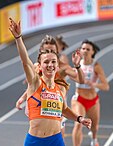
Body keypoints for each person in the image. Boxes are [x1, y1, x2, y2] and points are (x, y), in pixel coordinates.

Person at [9, 18, 91, 146]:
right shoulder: (35, 82)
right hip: (35, 141)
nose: (50, 65)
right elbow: (25, 61)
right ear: (40, 66)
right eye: (46, 62)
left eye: (53, 62)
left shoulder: (61, 88)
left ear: (58, 66)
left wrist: (79, 119)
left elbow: (64, 109)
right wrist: (18, 38)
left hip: (55, 140)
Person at [71, 40, 109, 146]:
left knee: (94, 126)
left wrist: (94, 84)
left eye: (88, 49)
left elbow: (106, 86)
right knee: (78, 124)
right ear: (80, 51)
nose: (85, 51)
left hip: (93, 100)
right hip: (79, 99)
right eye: (83, 49)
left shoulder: (96, 66)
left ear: (92, 52)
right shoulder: (77, 65)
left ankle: (94, 139)